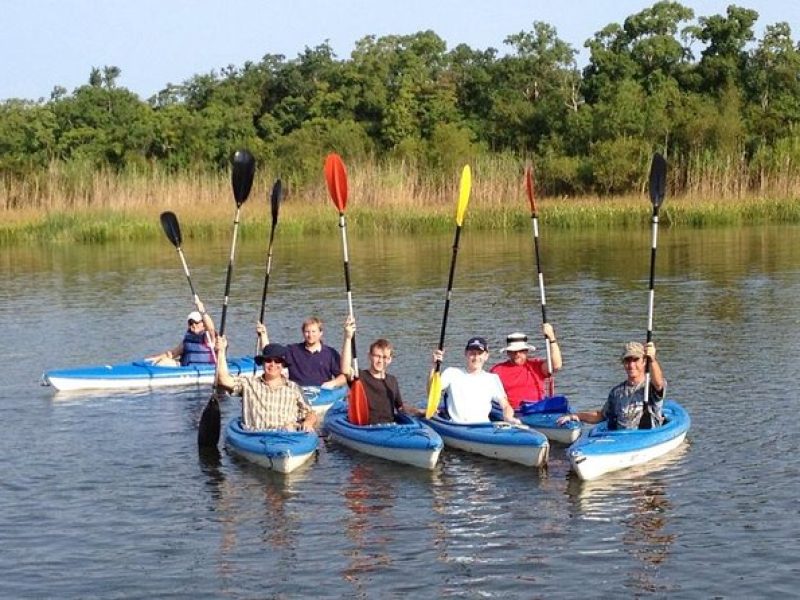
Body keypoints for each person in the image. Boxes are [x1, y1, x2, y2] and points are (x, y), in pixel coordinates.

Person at [215, 336, 317, 432]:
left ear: (283, 365)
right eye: (268, 360)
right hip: (256, 437)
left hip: (287, 437)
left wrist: (308, 422)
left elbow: (310, 413)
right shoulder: (249, 384)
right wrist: (221, 352)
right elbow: (224, 380)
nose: (272, 364)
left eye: (277, 361)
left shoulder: (293, 387)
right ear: (263, 363)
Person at [557, 341, 666, 430]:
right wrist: (576, 416)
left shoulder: (650, 388)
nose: (631, 365)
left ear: (644, 362)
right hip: (621, 439)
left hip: (647, 437)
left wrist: (652, 360)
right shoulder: (617, 392)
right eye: (627, 361)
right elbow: (601, 416)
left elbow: (659, 384)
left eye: (636, 360)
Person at [340, 315, 424, 424]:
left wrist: (419, 411)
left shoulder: (392, 381)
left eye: (384, 357)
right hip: (366, 430)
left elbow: (400, 408)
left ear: (389, 360)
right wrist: (347, 338)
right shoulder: (359, 377)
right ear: (369, 356)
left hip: (388, 429)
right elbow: (345, 369)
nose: (380, 361)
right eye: (377, 356)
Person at [430, 336, 520, 425]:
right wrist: (434, 366)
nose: (476, 357)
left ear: (486, 356)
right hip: (457, 427)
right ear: (466, 353)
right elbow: (431, 391)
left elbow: (505, 406)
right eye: (472, 353)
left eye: (480, 353)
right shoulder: (452, 373)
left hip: (483, 428)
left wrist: (509, 418)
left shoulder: (492, 378)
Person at [257, 316, 346, 388]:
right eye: (307, 332)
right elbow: (270, 353)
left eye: (313, 331)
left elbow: (343, 377)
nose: (310, 335)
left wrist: (333, 383)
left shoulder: (330, 353)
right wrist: (263, 334)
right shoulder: (292, 350)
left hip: (322, 395)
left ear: (320, 333)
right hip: (297, 393)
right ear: (303, 333)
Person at [490, 325, 563, 409]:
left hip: (537, 410)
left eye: (521, 351)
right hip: (512, 414)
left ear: (526, 351)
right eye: (513, 351)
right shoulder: (497, 370)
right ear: (508, 352)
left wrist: (552, 338)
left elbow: (557, 365)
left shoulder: (536, 366)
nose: (517, 354)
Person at [147, 298, 216, 366]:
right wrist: (155, 359)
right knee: (164, 362)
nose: (194, 325)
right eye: (191, 323)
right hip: (185, 369)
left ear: (203, 324)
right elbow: (173, 354)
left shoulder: (208, 337)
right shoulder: (188, 339)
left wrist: (202, 310)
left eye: (196, 322)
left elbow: (211, 328)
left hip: (204, 370)